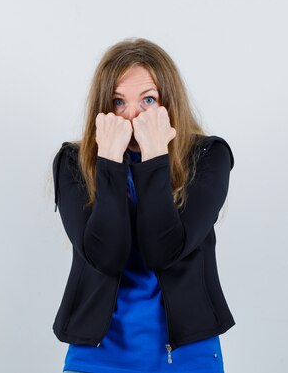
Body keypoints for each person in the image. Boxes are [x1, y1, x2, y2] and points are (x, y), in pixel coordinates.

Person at [51, 38, 236, 373]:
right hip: (96, 355)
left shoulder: (209, 157)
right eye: (118, 102)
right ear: (103, 109)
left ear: (169, 103)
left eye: (148, 100)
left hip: (184, 355)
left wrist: (154, 156)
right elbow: (105, 257)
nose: (132, 116)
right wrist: (109, 161)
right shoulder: (73, 163)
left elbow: (163, 252)